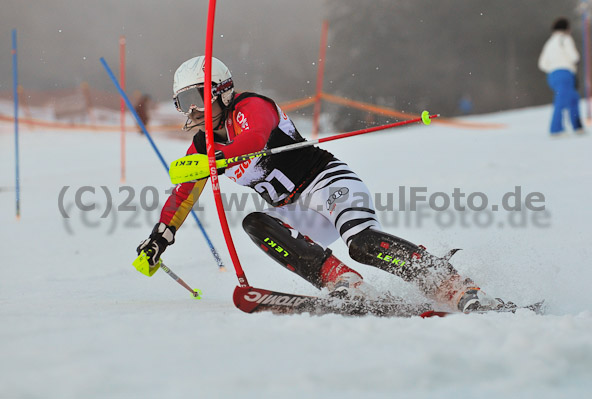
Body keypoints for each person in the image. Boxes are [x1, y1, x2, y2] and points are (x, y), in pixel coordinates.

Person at [136, 55, 504, 313]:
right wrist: (159, 238)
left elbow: (255, 140)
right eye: (184, 102)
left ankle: (449, 282)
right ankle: (343, 282)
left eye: (197, 98)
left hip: (326, 183)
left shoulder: (251, 107)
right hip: (293, 209)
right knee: (255, 223)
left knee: (360, 243)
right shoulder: (201, 146)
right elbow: (182, 196)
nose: (192, 111)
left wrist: (214, 160)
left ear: (221, 91)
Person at [538, 17, 584, 136]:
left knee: (573, 98)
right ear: (566, 28)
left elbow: (542, 64)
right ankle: (556, 129)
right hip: (565, 73)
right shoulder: (565, 39)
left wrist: (553, 68)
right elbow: (574, 57)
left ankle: (577, 126)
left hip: (553, 75)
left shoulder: (549, 43)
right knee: (561, 101)